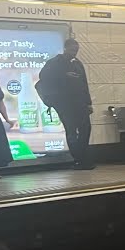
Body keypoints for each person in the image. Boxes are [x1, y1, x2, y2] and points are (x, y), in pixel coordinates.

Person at [38, 38, 94, 169]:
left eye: (76, 50)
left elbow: (84, 84)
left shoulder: (78, 64)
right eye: (72, 50)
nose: (74, 53)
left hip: (80, 102)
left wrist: (88, 102)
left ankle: (82, 156)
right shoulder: (54, 63)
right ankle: (78, 159)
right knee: (71, 130)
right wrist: (64, 75)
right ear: (65, 48)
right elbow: (43, 77)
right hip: (64, 103)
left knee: (86, 128)